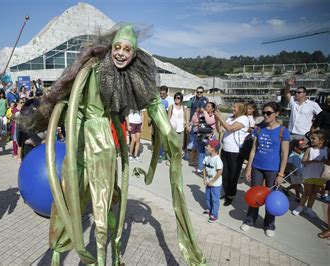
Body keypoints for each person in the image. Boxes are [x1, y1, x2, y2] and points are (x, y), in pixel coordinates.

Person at [18, 24, 206, 265]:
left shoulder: (131, 77)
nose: (120, 53)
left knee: (104, 202)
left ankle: (110, 255)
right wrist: (69, 126)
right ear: (110, 48)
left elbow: (153, 105)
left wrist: (170, 136)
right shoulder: (93, 69)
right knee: (66, 200)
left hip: (101, 143)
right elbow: (70, 100)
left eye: (127, 49)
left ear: (135, 54)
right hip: (79, 143)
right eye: (117, 47)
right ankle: (59, 256)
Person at [241, 102, 290, 237]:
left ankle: (269, 224)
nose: (265, 115)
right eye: (264, 112)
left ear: (276, 114)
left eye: (269, 113)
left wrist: (281, 173)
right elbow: (253, 150)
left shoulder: (283, 131)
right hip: (257, 167)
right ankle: (250, 219)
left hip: (273, 170)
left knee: (271, 198)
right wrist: (248, 168)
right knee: (255, 195)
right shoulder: (258, 129)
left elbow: (284, 155)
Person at [214, 102, 250, 206]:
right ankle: (226, 192)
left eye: (235, 107)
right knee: (224, 174)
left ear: (241, 109)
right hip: (225, 150)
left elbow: (230, 128)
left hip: (236, 152)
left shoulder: (243, 119)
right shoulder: (230, 117)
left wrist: (220, 117)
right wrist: (217, 120)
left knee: (233, 175)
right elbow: (220, 129)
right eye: (233, 106)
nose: (232, 108)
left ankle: (230, 195)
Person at [292, 130, 328, 217]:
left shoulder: (327, 150)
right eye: (311, 138)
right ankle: (300, 206)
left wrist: (324, 161)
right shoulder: (309, 149)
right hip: (309, 174)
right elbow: (303, 161)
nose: (311, 140)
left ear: (321, 141)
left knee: (314, 192)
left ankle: (309, 208)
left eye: (314, 139)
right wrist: (311, 161)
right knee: (307, 192)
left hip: (320, 176)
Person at [191, 102, 216, 173]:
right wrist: (196, 112)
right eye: (206, 106)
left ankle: (209, 169)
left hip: (209, 138)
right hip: (200, 137)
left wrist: (204, 112)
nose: (206, 107)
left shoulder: (214, 116)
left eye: (208, 106)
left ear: (213, 109)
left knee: (208, 154)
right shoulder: (202, 114)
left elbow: (208, 122)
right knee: (201, 153)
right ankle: (200, 168)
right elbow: (194, 121)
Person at [202, 139, 223, 223]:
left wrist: (213, 181)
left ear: (213, 148)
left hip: (215, 184)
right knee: (207, 197)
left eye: (208, 145)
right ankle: (210, 209)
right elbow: (204, 167)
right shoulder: (207, 157)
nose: (206, 146)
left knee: (215, 199)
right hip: (208, 182)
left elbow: (219, 172)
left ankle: (214, 214)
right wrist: (204, 178)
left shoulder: (217, 160)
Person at [186, 86, 208, 166]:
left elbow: (208, 111)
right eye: (198, 92)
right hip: (193, 124)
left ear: (203, 92)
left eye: (201, 92)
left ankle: (198, 159)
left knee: (200, 143)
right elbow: (188, 110)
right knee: (192, 142)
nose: (199, 93)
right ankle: (192, 160)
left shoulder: (206, 100)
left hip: (202, 124)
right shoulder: (192, 99)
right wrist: (187, 123)